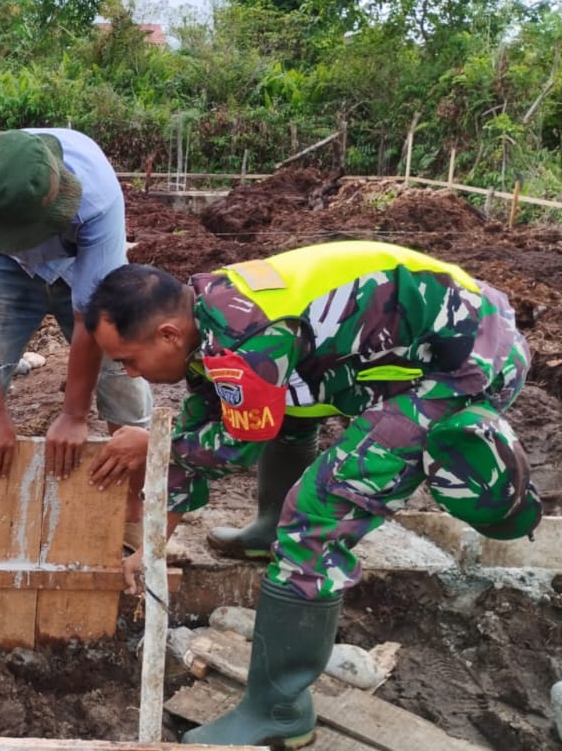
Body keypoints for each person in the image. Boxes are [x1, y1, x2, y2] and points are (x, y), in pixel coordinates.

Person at [84, 240, 542, 748]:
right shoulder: (206, 321)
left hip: (466, 364)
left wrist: (154, 444)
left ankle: (279, 709)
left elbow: (239, 443)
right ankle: (266, 531)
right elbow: (209, 425)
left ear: (168, 334)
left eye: (128, 359)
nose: (128, 373)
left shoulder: (247, 336)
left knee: (319, 512)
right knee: (285, 410)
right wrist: (151, 547)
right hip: (409, 347)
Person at [0, 128, 152, 544]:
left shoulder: (95, 198)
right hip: (7, 269)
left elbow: (93, 321)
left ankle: (132, 507)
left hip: (81, 260)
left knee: (122, 373)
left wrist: (74, 414)